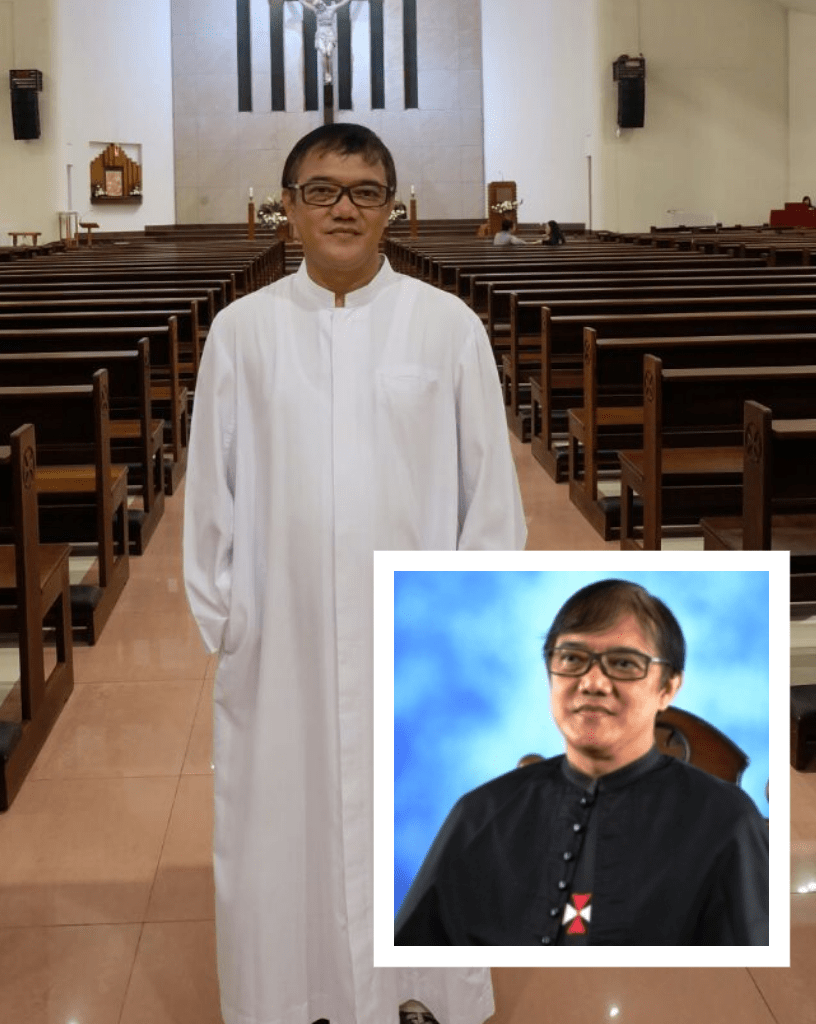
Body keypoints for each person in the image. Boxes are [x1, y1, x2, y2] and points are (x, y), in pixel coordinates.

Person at [183, 122, 526, 1024]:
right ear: (288, 207)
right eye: (323, 190)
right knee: (282, 826)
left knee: (416, 814)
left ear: (390, 210)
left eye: (365, 192)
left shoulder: (447, 327)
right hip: (281, 626)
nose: (344, 208)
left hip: (414, 632)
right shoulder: (243, 332)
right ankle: (291, 997)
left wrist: (470, 620)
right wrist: (228, 618)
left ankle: (421, 994)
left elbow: (490, 490)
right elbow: (210, 488)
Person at [394, 579, 768, 946]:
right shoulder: (480, 813)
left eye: (623, 663)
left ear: (668, 687)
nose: (592, 683)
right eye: (572, 659)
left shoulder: (726, 820)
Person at [300, 0, 352, 83]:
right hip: (320, 35)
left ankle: (328, 72)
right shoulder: (316, 10)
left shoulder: (331, 9)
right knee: (324, 53)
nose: (320, 6)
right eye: (318, 6)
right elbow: (305, 4)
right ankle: (327, 74)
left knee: (328, 53)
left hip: (329, 34)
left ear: (323, 3)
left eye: (321, 4)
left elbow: (342, 3)